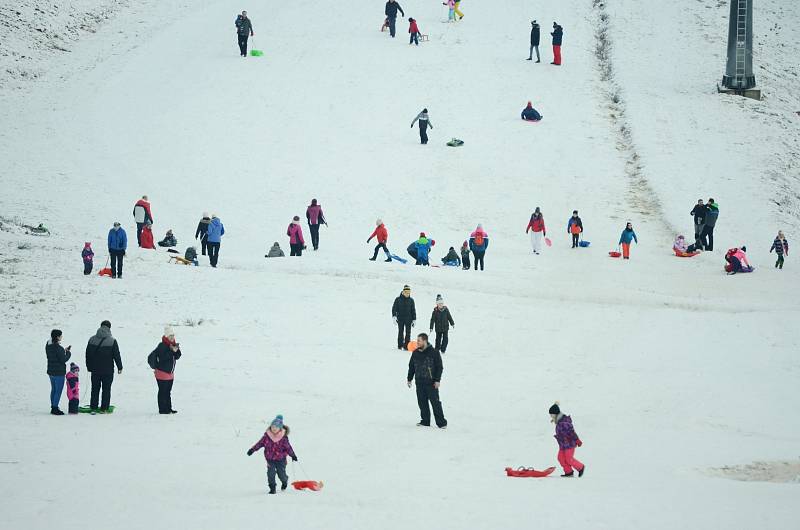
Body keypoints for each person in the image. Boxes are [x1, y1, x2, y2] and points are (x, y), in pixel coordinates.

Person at [247, 415, 298, 494]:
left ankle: (285, 481)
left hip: (281, 459)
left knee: (281, 475)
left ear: (280, 428)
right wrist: (252, 450)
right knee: (270, 473)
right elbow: (260, 443)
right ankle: (272, 488)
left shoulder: (283, 438)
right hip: (270, 459)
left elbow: (288, 448)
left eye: (276, 427)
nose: (274, 428)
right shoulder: (266, 436)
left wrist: (293, 455)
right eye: (273, 426)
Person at [406, 334, 447, 428]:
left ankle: (441, 423)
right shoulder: (415, 352)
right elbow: (411, 366)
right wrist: (409, 379)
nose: (417, 342)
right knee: (422, 402)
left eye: (419, 341)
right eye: (417, 341)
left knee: (435, 403)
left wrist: (437, 380)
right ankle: (425, 421)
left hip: (431, 383)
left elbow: (439, 367)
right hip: (419, 382)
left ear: (425, 341)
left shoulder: (434, 352)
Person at [85, 320, 123, 413]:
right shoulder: (112, 340)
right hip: (108, 370)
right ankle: (104, 408)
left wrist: (89, 367)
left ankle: (93, 407)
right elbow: (116, 355)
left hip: (95, 369)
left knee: (95, 389)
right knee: (106, 389)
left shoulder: (91, 339)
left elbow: (88, 355)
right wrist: (120, 367)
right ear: (109, 328)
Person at [148, 326, 182, 415]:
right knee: (163, 391)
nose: (172, 337)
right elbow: (163, 358)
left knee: (168, 392)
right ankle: (162, 410)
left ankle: (169, 408)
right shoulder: (162, 345)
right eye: (170, 336)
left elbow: (178, 356)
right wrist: (172, 351)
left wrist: (176, 350)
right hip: (161, 372)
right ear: (166, 336)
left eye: (173, 335)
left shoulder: (173, 344)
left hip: (170, 373)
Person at [549, 402, 585, 477]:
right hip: (563, 444)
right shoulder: (559, 421)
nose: (551, 416)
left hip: (569, 444)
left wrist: (577, 440)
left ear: (556, 414)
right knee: (560, 458)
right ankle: (569, 472)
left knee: (568, 459)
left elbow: (571, 432)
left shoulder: (564, 422)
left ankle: (580, 467)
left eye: (552, 415)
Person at [46, 329, 71, 415]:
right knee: (58, 390)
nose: (61, 337)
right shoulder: (58, 348)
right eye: (60, 335)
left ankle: (53, 406)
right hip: (59, 372)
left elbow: (56, 355)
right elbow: (63, 359)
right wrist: (68, 353)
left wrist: (62, 351)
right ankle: (55, 408)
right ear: (57, 337)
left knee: (53, 389)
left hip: (51, 371)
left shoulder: (48, 345)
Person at [392, 285, 416, 350]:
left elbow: (413, 310)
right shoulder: (398, 299)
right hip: (400, 319)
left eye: (409, 292)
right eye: (406, 292)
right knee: (400, 332)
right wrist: (394, 316)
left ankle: (406, 346)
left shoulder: (411, 300)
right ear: (403, 292)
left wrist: (414, 319)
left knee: (408, 333)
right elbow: (394, 308)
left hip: (409, 319)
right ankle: (400, 345)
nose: (407, 294)